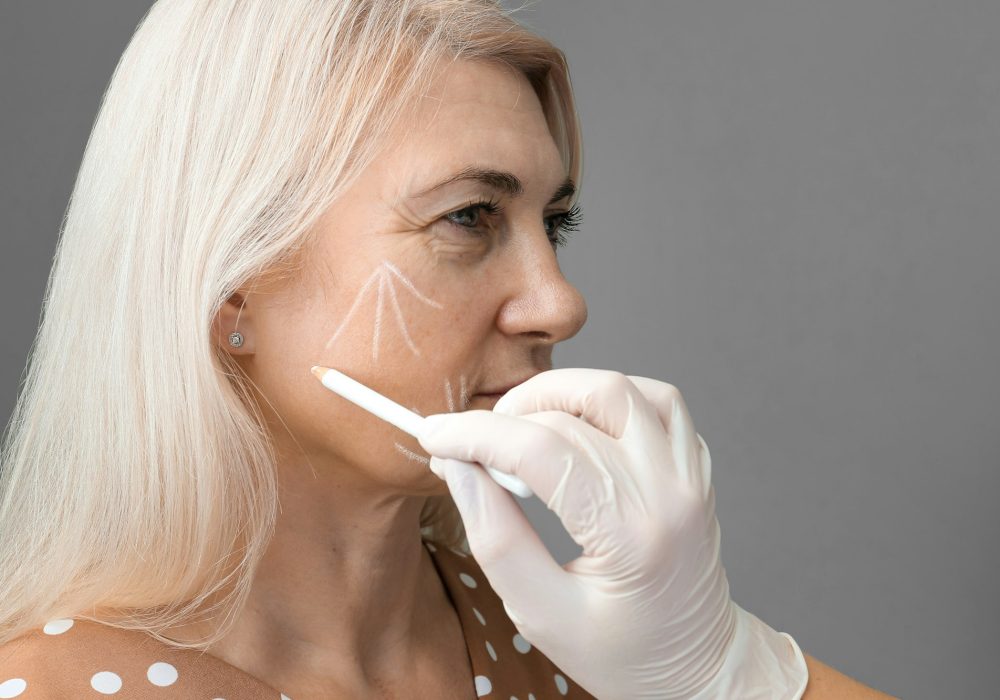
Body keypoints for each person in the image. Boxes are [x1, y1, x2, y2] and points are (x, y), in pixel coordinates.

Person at [0, 0, 897, 697]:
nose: (560, 303)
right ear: (232, 289)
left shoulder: (600, 656)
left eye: (556, 223)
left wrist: (728, 673)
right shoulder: (47, 690)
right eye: (469, 216)